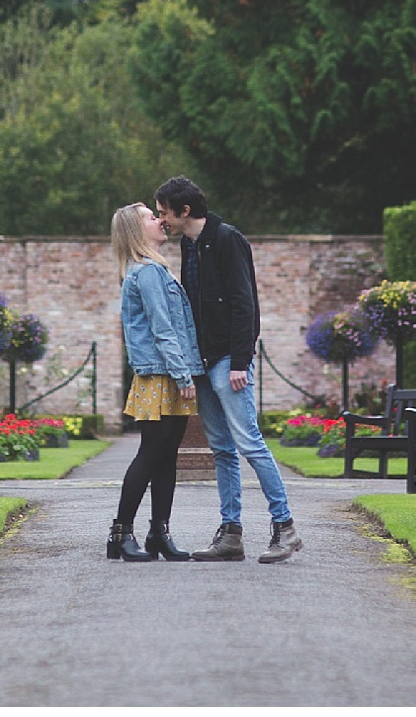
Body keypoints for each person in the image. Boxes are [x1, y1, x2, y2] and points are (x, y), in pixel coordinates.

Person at [153, 176, 302, 564]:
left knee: (249, 441)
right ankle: (231, 533)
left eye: (163, 212)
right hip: (202, 362)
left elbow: (244, 302)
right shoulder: (189, 244)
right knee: (221, 449)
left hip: (226, 361)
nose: (161, 219)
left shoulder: (227, 239)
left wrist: (240, 360)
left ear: (184, 211)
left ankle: (285, 527)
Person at [107, 201, 201, 562]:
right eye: (152, 217)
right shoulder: (146, 273)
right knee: (151, 454)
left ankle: (159, 533)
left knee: (166, 457)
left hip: (168, 373)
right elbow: (163, 330)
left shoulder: (156, 271)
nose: (161, 220)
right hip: (160, 375)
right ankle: (120, 533)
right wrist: (183, 374)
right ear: (136, 230)